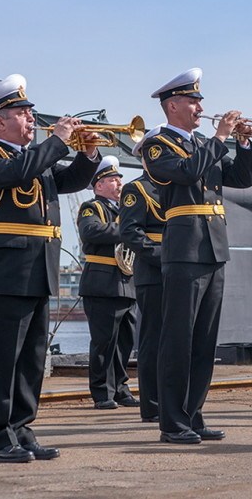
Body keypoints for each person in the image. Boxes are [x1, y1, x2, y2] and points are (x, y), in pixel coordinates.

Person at [0, 73, 99, 463]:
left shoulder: (33, 160)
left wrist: (87, 155)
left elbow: (70, 179)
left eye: (29, 112)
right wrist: (57, 140)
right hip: (4, 272)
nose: (30, 118)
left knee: (30, 360)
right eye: (22, 112)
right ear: (0, 121)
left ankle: (22, 430)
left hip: (38, 270)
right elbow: (20, 172)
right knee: (1, 360)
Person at [140, 68, 252, 445]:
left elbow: (241, 179)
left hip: (213, 246)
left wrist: (244, 144)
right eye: (193, 100)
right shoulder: (158, 144)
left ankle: (194, 413)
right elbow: (188, 174)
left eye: (199, 100)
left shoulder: (204, 144)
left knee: (205, 340)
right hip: (185, 247)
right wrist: (220, 136)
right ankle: (171, 421)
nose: (200, 106)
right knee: (178, 337)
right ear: (172, 105)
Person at [78, 155, 139, 410]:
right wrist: (130, 228)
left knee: (125, 340)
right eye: (112, 179)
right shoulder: (92, 207)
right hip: (102, 282)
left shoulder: (124, 210)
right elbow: (91, 231)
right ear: (98, 185)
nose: (118, 183)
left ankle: (121, 388)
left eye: (119, 179)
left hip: (127, 281)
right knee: (104, 341)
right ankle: (102, 392)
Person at [119, 126, 166, 423]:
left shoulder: (176, 186)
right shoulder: (137, 189)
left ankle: (172, 400)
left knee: (177, 339)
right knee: (153, 338)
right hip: (154, 268)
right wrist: (163, 256)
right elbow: (131, 233)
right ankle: (151, 404)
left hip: (182, 267)